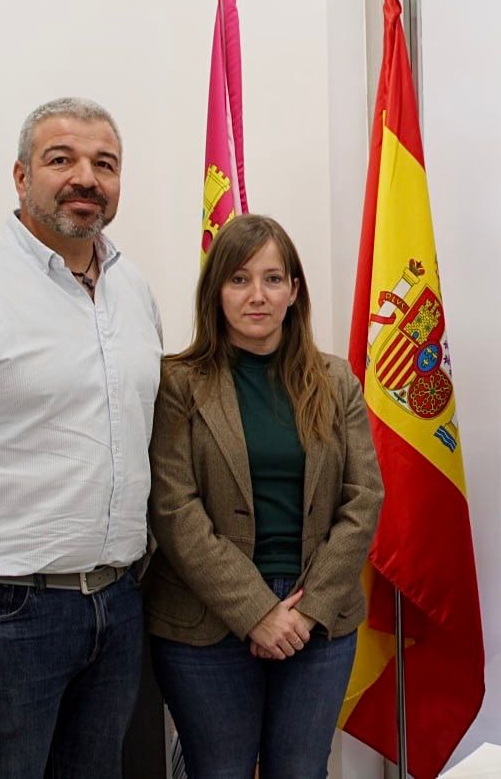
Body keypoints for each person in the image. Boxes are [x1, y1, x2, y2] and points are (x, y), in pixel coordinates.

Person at [0, 97, 163, 777]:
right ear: (20, 177)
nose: (86, 177)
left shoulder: (133, 290)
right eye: (61, 159)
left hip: (114, 606)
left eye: (105, 164)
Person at [145, 213, 383, 778]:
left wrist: (304, 613)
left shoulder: (335, 379)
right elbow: (174, 509)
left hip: (316, 617)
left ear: (294, 291)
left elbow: (363, 498)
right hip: (205, 619)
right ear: (216, 292)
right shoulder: (177, 383)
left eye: (273, 279)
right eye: (240, 279)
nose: (258, 295)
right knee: (219, 770)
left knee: (301, 770)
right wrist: (255, 612)